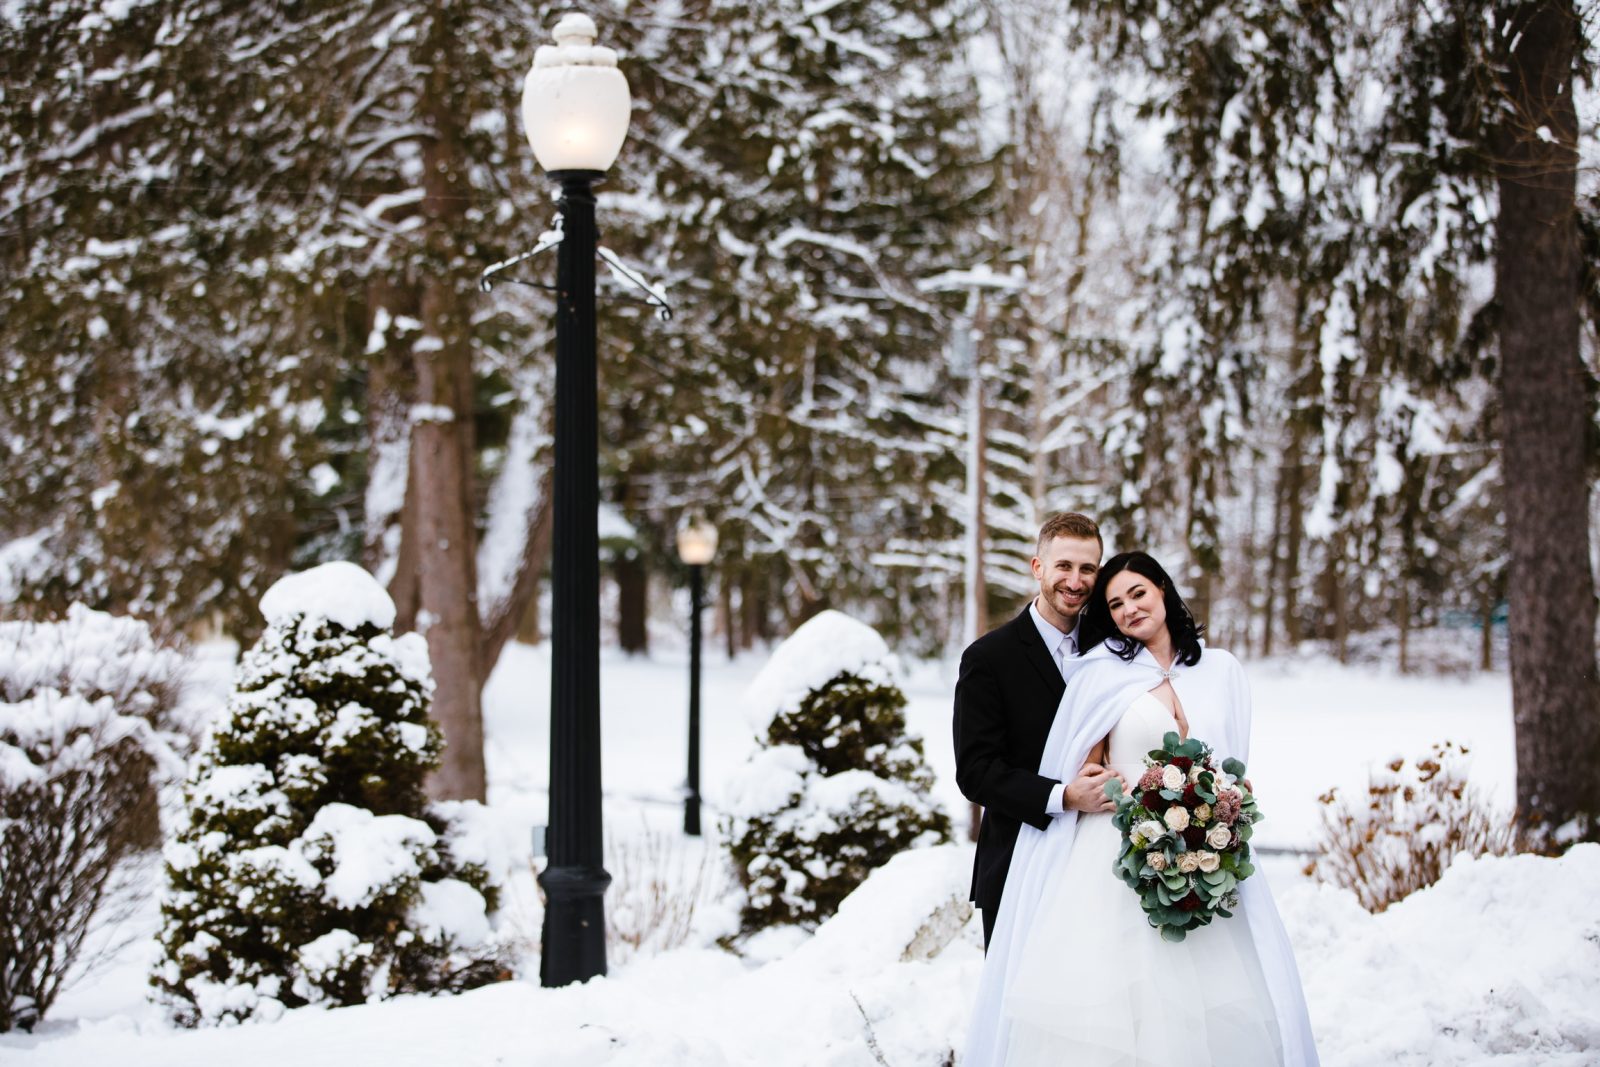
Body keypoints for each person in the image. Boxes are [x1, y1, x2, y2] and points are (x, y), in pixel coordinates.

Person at [963, 551, 1319, 1067]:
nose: (1129, 609)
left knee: (1214, 1010)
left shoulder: (1221, 671)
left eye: (1138, 594)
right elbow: (1084, 764)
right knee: (1117, 1014)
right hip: (1116, 861)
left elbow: (1234, 767)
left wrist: (1212, 825)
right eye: (1114, 605)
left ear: (1163, 590)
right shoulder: (1101, 673)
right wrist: (1106, 801)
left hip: (1205, 859)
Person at [953, 513, 1126, 947]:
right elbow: (975, 771)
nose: (1075, 580)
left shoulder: (1115, 647)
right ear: (1038, 568)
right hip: (1018, 863)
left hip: (1101, 869)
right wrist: (1064, 796)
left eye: (1088, 569)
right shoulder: (989, 658)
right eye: (1064, 566)